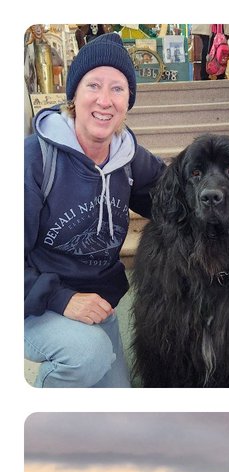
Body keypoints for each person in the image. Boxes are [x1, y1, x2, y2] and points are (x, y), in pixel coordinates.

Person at [25, 31, 165, 386]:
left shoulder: (129, 158)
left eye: (117, 89)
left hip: (98, 306)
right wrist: (61, 299)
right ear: (74, 94)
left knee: (120, 409)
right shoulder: (35, 159)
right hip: (34, 302)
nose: (105, 100)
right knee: (87, 357)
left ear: (128, 100)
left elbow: (177, 198)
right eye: (94, 86)